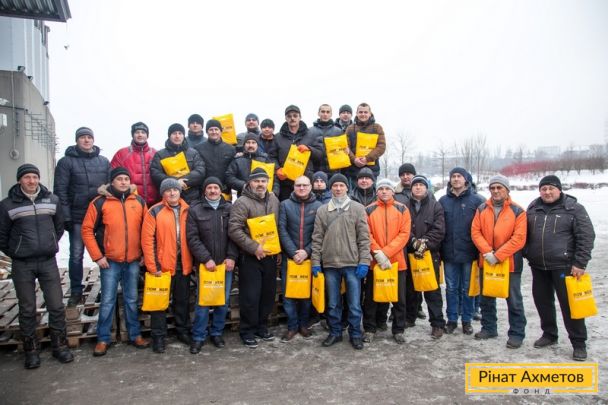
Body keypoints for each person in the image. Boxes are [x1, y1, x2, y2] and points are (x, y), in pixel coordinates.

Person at [0, 164, 74, 369]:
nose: (31, 181)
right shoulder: (7, 205)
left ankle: (60, 346)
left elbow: (59, 227)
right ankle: (31, 350)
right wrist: (17, 251)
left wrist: (49, 243)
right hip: (22, 263)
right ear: (19, 180)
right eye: (27, 177)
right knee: (27, 308)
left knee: (56, 305)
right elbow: (2, 235)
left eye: (34, 177)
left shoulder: (52, 200)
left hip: (47, 261)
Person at [525, 175, 595, 361]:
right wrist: (527, 252)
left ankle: (578, 343)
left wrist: (580, 263)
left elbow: (586, 236)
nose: (547, 192)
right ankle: (549, 334)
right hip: (538, 266)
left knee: (570, 305)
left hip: (565, 267)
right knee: (542, 302)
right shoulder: (533, 208)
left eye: (551, 188)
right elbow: (524, 233)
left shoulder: (574, 209)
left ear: (559, 189)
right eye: (544, 189)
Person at [81, 167, 149, 356]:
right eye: (119, 179)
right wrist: (98, 256)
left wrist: (144, 254)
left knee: (132, 299)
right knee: (108, 300)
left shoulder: (138, 201)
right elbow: (87, 230)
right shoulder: (100, 202)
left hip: (133, 260)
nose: (123, 182)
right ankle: (103, 339)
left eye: (126, 178)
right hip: (110, 261)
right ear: (112, 181)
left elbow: (147, 229)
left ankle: (135, 335)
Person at [311, 173, 370, 350]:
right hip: (330, 264)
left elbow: (364, 238)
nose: (338, 188)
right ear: (331, 188)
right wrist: (315, 262)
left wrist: (364, 261)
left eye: (341, 185)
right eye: (335, 186)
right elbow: (317, 238)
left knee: (354, 304)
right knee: (333, 303)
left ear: (347, 188)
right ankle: (335, 332)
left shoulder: (357, 208)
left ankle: (355, 334)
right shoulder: (323, 210)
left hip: (352, 263)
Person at [54, 126, 110, 306]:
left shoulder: (103, 162)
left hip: (100, 215)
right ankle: (76, 290)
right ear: (77, 140)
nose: (86, 140)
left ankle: (107, 287)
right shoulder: (66, 162)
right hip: (78, 215)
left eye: (89, 137)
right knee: (77, 254)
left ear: (93, 140)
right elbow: (60, 191)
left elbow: (110, 187)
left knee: (104, 252)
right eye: (82, 137)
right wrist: (66, 216)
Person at [471, 175, 527, 349]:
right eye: (492, 188)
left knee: (514, 300)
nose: (495, 191)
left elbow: (519, 238)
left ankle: (516, 333)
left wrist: (498, 255)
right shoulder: (482, 209)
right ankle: (489, 328)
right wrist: (487, 252)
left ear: (507, 190)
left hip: (510, 263)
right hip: (487, 261)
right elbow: (475, 232)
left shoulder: (518, 211)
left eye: (499, 187)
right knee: (486, 298)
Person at [228, 168, 281, 348]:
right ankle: (247, 331)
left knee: (267, 294)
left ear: (268, 182)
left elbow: (277, 226)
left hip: (270, 256)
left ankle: (261, 327)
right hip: (250, 257)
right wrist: (254, 247)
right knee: (250, 296)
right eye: (257, 181)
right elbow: (234, 229)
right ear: (250, 183)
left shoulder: (273, 200)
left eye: (263, 181)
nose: (260, 184)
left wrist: (278, 251)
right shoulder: (242, 202)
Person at [187, 177, 239, 352]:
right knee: (203, 302)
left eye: (216, 187)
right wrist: (206, 258)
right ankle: (198, 336)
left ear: (220, 190)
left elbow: (235, 235)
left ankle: (217, 333)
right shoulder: (195, 210)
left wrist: (231, 256)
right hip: (205, 266)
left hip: (225, 265)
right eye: (209, 187)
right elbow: (192, 238)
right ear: (204, 191)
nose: (213, 191)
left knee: (222, 301)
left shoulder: (230, 209)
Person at [141, 178, 193, 353]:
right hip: (161, 267)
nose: (172, 193)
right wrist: (152, 266)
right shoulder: (154, 211)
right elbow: (147, 240)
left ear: (180, 191)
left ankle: (183, 331)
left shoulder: (188, 210)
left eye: (175, 190)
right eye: (168, 190)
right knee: (159, 304)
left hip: (183, 264)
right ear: (163, 193)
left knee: (182, 301)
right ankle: (158, 336)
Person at [364, 179, 411, 344]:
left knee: (399, 298)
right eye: (381, 188)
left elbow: (404, 234)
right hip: (375, 262)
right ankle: (369, 328)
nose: (384, 191)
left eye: (387, 188)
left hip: (397, 262)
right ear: (377, 191)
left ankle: (398, 329)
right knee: (371, 298)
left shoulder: (402, 209)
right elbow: (366, 234)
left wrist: (385, 253)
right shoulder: (369, 209)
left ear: (393, 191)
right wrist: (377, 253)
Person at [438, 167, 485, 335]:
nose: (456, 179)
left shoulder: (477, 201)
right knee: (451, 288)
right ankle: (451, 319)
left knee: (467, 288)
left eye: (459, 176)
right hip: (449, 253)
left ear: (466, 180)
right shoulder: (443, 201)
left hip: (469, 253)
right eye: (453, 176)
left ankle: (466, 320)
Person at [278, 175, 322, 342]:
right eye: (298, 185)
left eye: (305, 185)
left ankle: (303, 325)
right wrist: (293, 252)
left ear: (310, 187)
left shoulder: (319, 206)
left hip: (309, 258)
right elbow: (281, 229)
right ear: (294, 187)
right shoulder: (285, 205)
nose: (301, 188)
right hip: (290, 258)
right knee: (288, 294)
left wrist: (306, 252)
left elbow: (319, 233)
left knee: (306, 295)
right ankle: (292, 326)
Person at [404, 175, 447, 338]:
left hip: (429, 254)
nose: (418, 187)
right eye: (415, 185)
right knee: (410, 289)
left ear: (426, 188)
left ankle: (437, 323)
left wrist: (424, 243)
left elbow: (439, 229)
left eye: (421, 185)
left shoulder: (435, 206)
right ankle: (410, 317)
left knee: (432, 290)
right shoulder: (404, 206)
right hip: (410, 252)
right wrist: (413, 242)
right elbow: (402, 228)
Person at [395, 163, 427, 321]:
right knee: (404, 281)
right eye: (403, 174)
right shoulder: (396, 194)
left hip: (421, 242)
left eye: (408, 174)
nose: (406, 176)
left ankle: (417, 306)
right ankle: (400, 309)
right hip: (403, 242)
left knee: (418, 277)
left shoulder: (424, 192)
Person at [273, 105, 322, 200]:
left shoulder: (311, 134)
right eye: (289, 116)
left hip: (306, 181)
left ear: (300, 117)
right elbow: (272, 156)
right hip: (285, 182)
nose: (292, 118)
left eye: (295, 116)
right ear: (285, 118)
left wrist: (309, 149)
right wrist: (277, 169)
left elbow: (320, 154)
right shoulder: (277, 137)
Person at [150, 123, 206, 204]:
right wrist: (176, 182)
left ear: (183, 136)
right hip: (169, 199)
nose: (177, 136)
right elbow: (156, 174)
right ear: (169, 136)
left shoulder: (193, 153)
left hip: (192, 198)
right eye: (174, 133)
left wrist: (183, 182)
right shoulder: (160, 154)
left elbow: (200, 171)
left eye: (180, 133)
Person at [111, 121, 159, 206]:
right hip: (130, 202)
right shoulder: (122, 153)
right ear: (133, 135)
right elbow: (112, 176)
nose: (140, 135)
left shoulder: (155, 153)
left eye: (143, 132)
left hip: (154, 203)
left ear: (147, 135)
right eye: (137, 132)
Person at [344, 103, 386, 186]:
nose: (363, 114)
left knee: (371, 193)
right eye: (360, 112)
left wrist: (367, 158)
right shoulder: (350, 128)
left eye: (365, 112)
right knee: (354, 194)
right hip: (354, 170)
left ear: (370, 113)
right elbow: (345, 146)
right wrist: (354, 159)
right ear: (356, 113)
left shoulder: (377, 128)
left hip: (372, 170)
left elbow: (381, 147)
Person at [226, 133, 278, 197]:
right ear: (244, 145)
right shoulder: (237, 160)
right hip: (244, 196)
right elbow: (229, 177)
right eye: (248, 142)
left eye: (253, 143)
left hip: (263, 197)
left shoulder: (265, 159)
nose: (250, 145)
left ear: (257, 145)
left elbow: (274, 177)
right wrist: (244, 185)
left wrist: (275, 192)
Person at [194, 119, 236, 197]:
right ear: (207, 132)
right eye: (211, 130)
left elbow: (233, 170)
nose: (214, 132)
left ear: (221, 131)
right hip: (204, 190)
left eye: (216, 129)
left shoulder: (231, 149)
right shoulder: (198, 148)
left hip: (225, 190)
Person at [308, 104, 343, 175]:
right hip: (315, 172)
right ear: (318, 113)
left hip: (334, 172)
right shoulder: (310, 131)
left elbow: (343, 152)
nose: (325, 114)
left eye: (328, 112)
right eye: (323, 111)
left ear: (331, 114)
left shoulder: (339, 131)